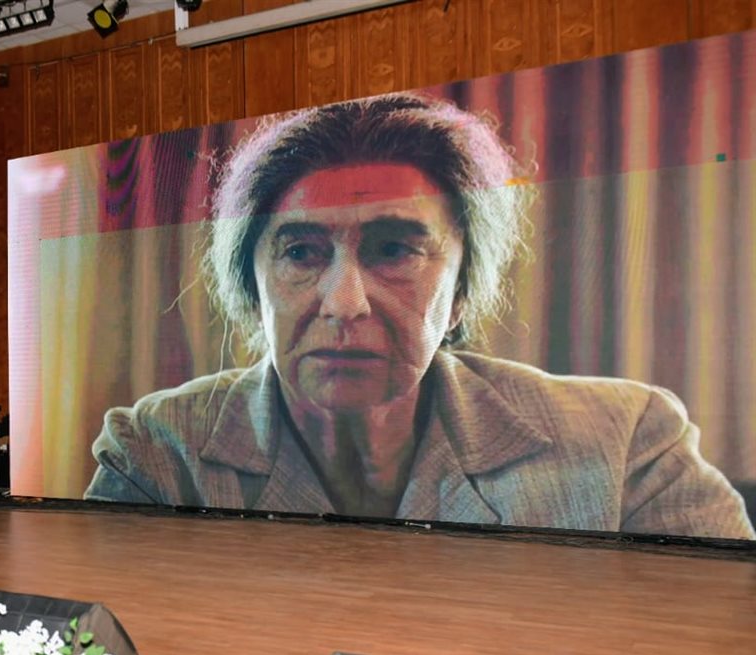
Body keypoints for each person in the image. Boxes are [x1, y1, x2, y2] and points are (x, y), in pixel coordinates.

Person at [84, 92, 755, 540]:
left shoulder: (624, 446)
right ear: (252, 288)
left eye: (394, 249)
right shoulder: (157, 452)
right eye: (301, 252)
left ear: (462, 289)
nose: (344, 303)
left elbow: (723, 651)